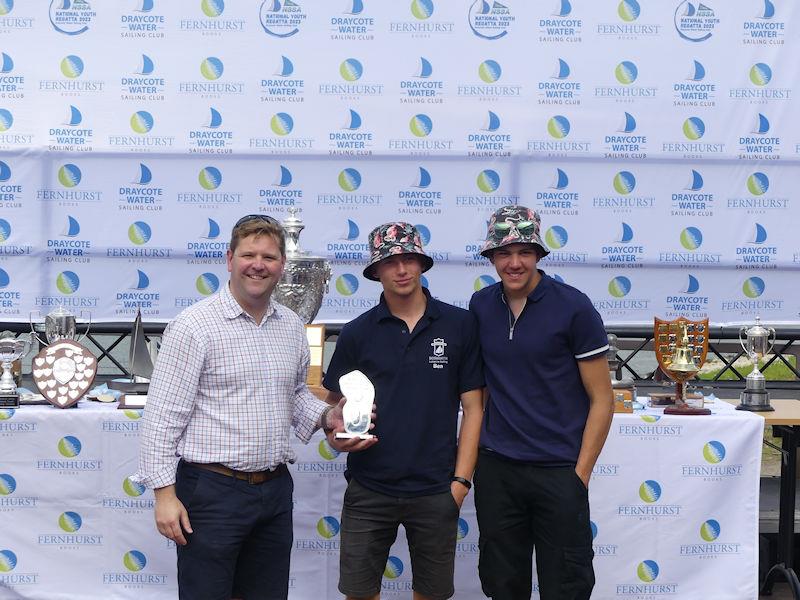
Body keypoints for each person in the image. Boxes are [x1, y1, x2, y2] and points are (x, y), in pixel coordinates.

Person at [133, 214, 345, 600]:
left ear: (282, 265)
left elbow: (294, 394)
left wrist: (329, 416)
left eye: (269, 256)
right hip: (212, 493)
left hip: (275, 490)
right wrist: (164, 494)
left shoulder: (292, 327)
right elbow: (162, 416)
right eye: (249, 254)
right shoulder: (194, 326)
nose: (258, 264)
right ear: (229, 259)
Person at [323, 221, 484, 600]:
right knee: (359, 593)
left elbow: (474, 409)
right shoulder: (357, 332)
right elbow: (334, 407)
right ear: (376, 270)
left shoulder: (460, 325)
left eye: (410, 259)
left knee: (432, 594)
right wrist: (337, 436)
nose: (401, 269)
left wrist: (460, 484)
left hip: (435, 489)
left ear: (422, 265)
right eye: (391, 261)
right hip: (368, 487)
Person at [469, 205, 613, 600]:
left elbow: (603, 399)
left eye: (524, 252)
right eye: (503, 253)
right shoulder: (480, 305)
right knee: (501, 585)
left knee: (566, 586)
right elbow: (477, 391)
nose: (514, 263)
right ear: (491, 257)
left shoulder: (573, 306)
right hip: (498, 470)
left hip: (559, 471)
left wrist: (578, 476)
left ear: (538, 255)